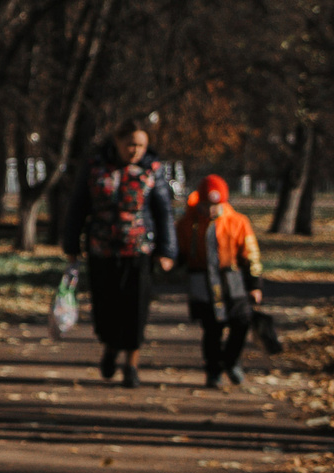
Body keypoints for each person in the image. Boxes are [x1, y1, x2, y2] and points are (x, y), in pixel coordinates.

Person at [60, 127, 175, 386]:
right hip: (102, 250)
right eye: (131, 144)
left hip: (139, 250)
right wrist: (71, 244)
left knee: (136, 309)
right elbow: (78, 205)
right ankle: (110, 348)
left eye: (141, 146)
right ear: (117, 141)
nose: (135, 150)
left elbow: (163, 210)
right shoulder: (95, 166)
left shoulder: (152, 169)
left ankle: (131, 364)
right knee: (106, 308)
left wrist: (167, 251)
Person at [178, 174, 263, 387]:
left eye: (215, 205)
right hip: (202, 280)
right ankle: (213, 370)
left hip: (231, 279)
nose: (210, 210)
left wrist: (254, 284)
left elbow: (250, 254)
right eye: (206, 205)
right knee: (212, 328)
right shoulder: (188, 223)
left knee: (241, 321)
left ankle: (231, 361)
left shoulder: (238, 222)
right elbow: (179, 251)